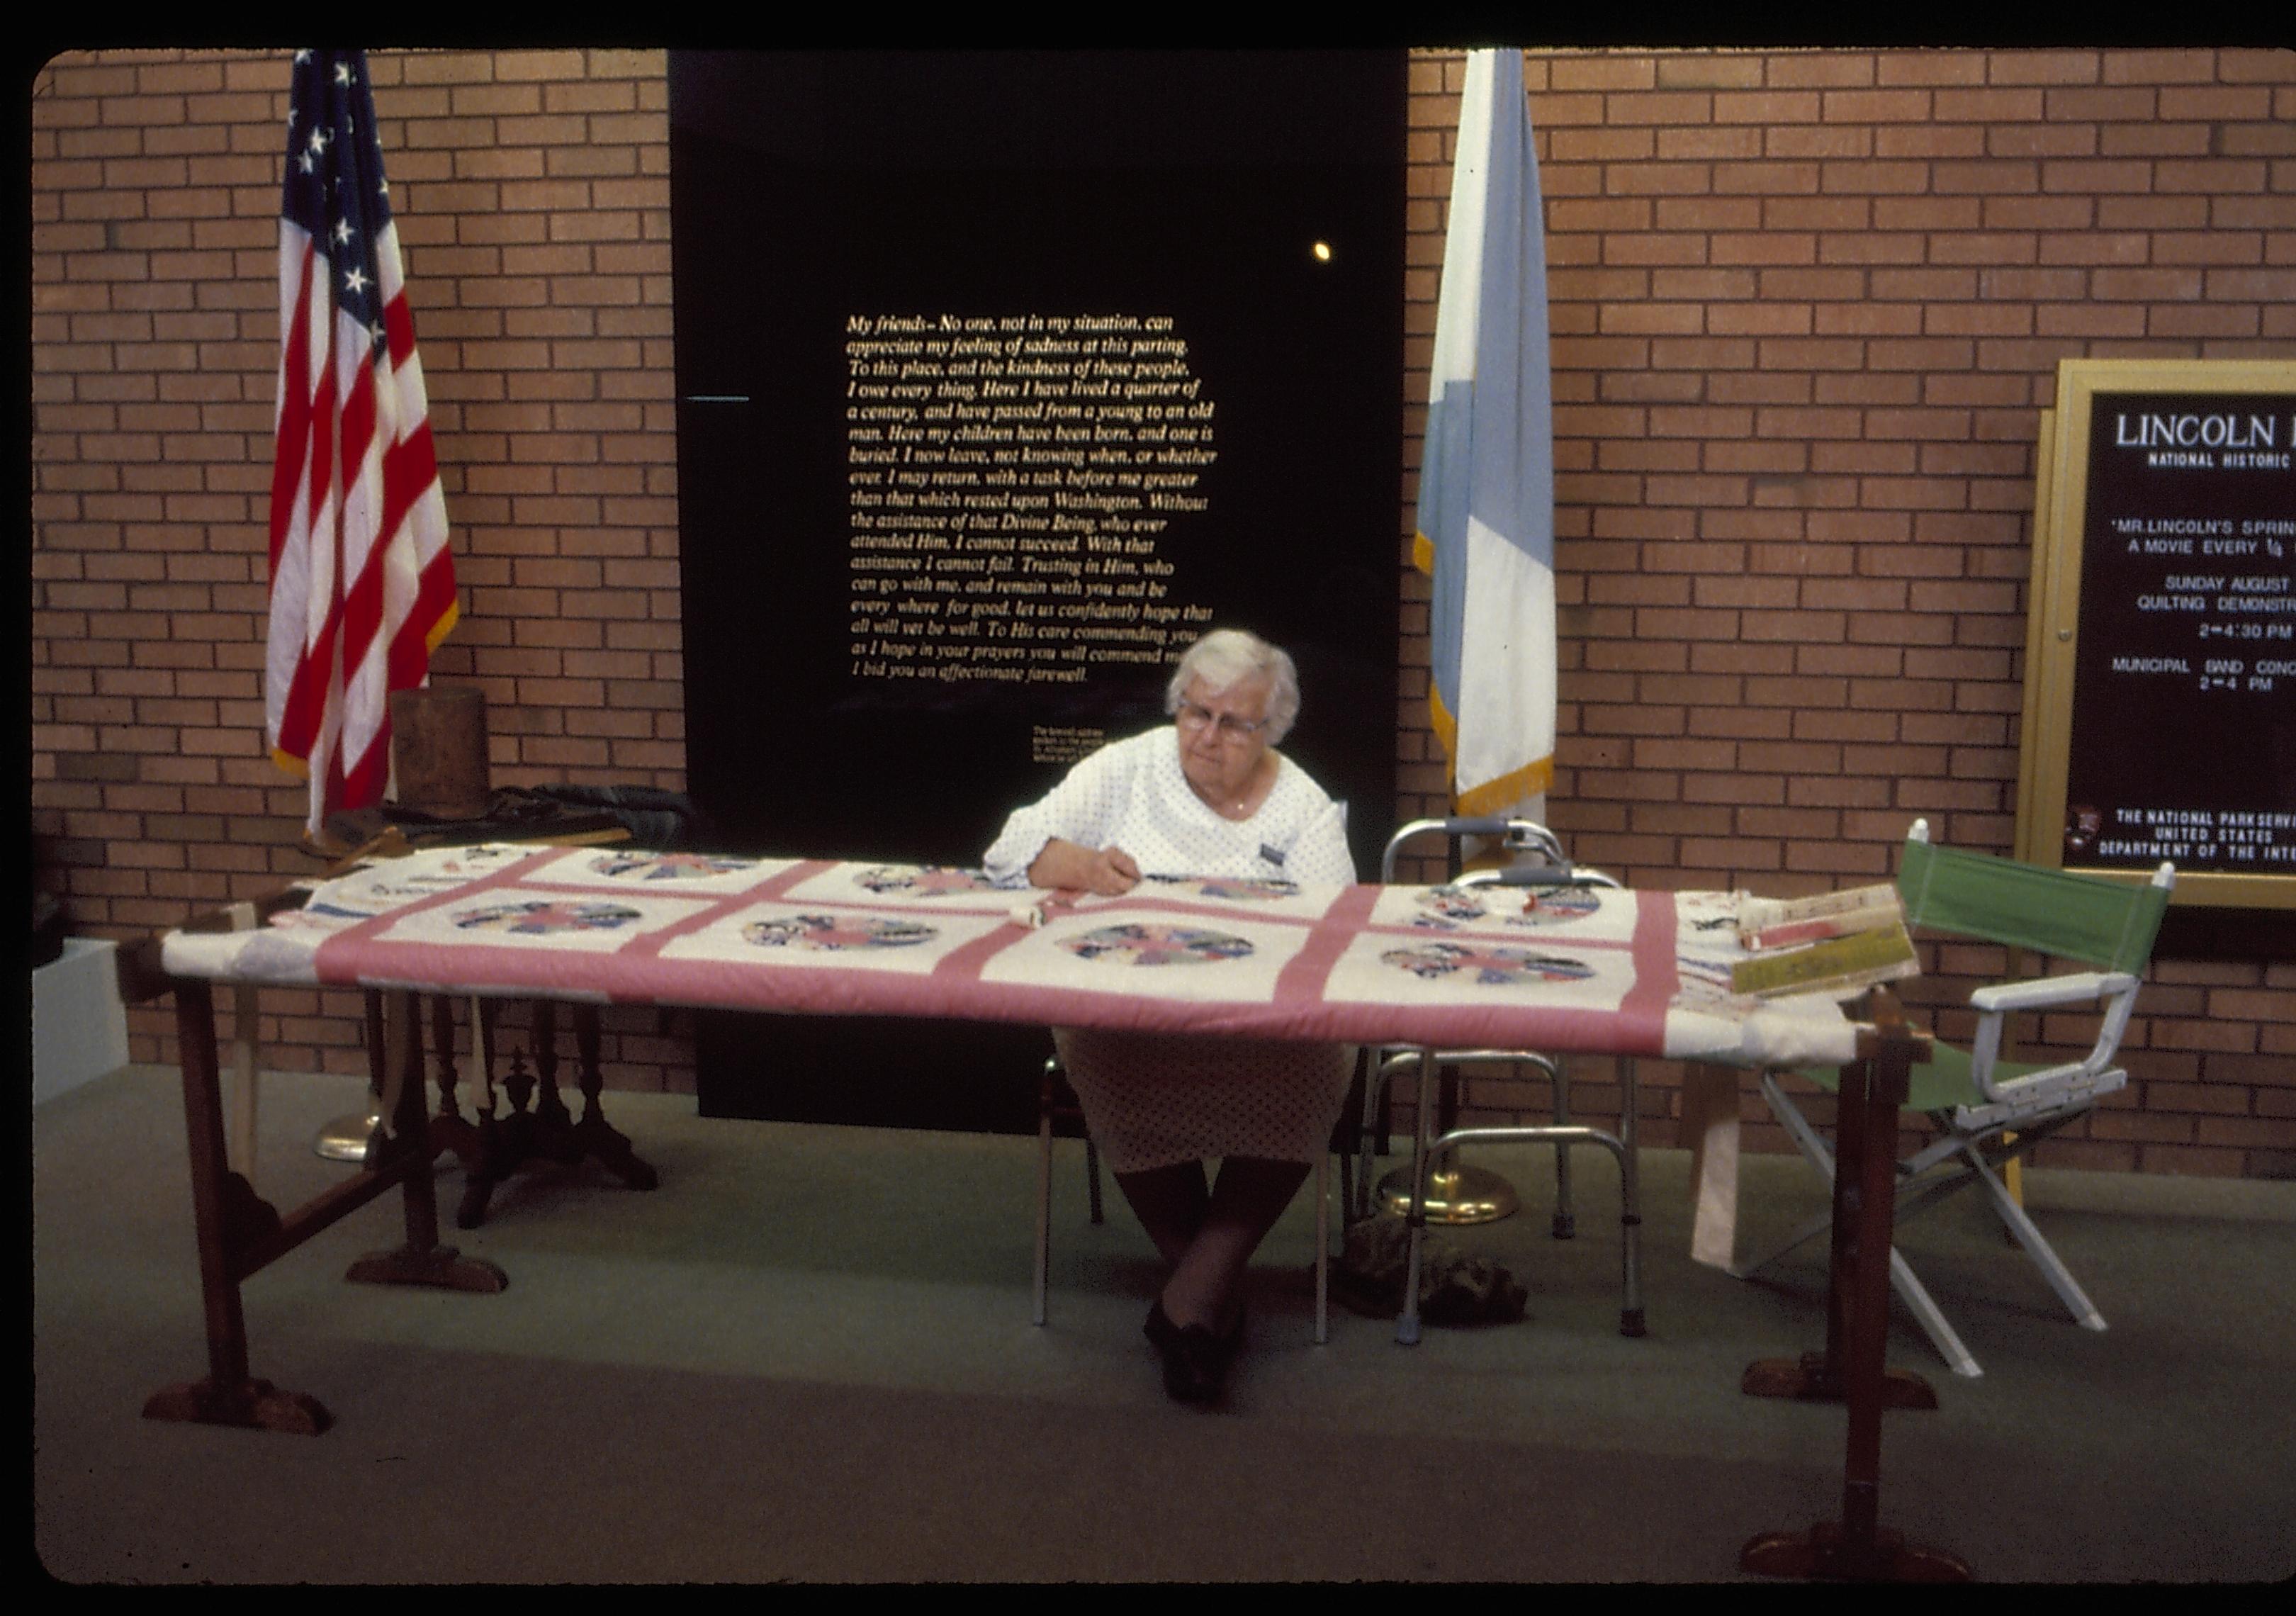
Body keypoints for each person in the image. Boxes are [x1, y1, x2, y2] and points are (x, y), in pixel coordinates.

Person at [983, 628, 1357, 1405]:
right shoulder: (1129, 766)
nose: (1207, 737)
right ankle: (1205, 1298)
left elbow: (1331, 932)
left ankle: (1192, 1302)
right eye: (1195, 713)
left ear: (1270, 731)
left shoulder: (1303, 808)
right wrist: (1084, 865)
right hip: (1132, 1017)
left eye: (1234, 723)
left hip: (1259, 1024)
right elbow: (1008, 849)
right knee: (1099, 1047)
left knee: (1325, 1057)